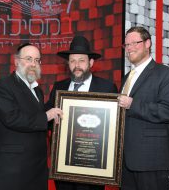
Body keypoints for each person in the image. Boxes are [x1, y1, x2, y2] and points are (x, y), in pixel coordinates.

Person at [46, 35, 118, 190]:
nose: (76, 65)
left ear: (91, 63)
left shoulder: (107, 88)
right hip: (63, 166)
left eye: (81, 60)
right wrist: (51, 116)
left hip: (93, 166)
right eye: (72, 61)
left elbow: (113, 128)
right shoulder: (59, 87)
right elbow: (46, 118)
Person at [0, 43, 63, 190]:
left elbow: (37, 121)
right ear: (16, 61)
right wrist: (47, 116)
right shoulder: (2, 86)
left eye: (37, 60)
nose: (33, 64)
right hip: (13, 171)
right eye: (28, 59)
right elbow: (12, 118)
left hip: (37, 170)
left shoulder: (38, 91)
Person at [118, 26, 169, 190]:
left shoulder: (167, 74)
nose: (130, 48)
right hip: (124, 162)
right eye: (127, 45)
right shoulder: (127, 77)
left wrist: (133, 104)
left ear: (148, 43)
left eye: (135, 43)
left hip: (151, 161)